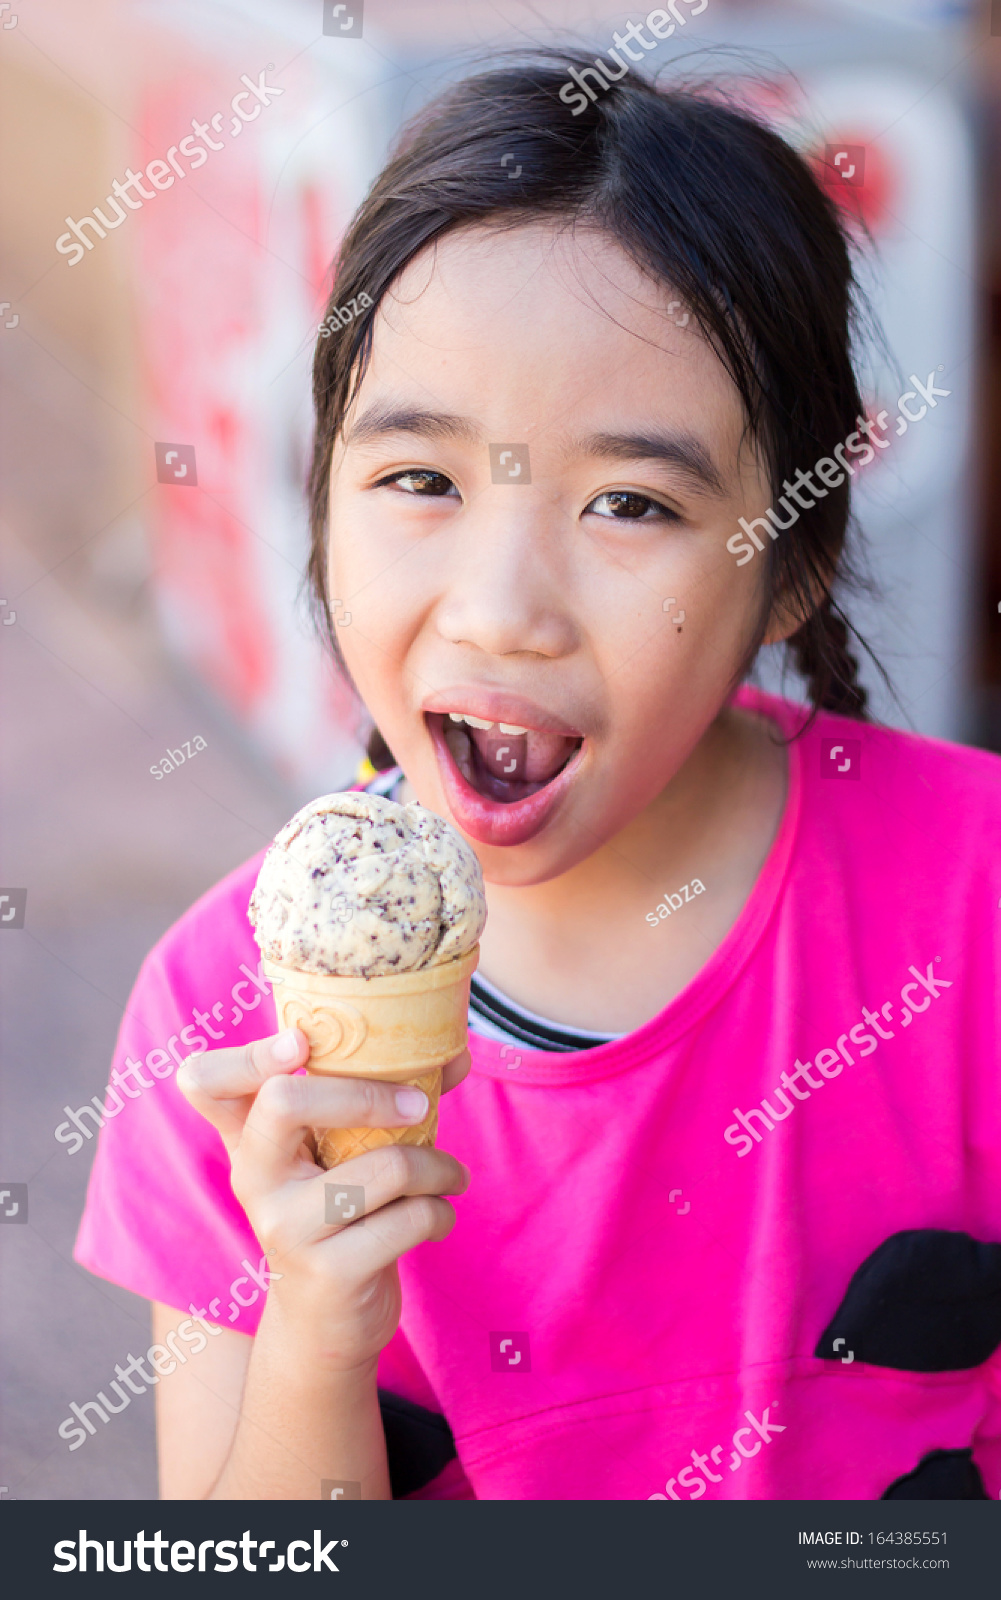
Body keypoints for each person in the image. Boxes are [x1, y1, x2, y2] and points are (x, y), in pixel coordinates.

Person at [75, 57, 1001, 1501]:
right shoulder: (219, 1030)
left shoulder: (973, 902)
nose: (502, 608)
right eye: (420, 481)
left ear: (791, 563)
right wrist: (317, 1331)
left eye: (629, 503)